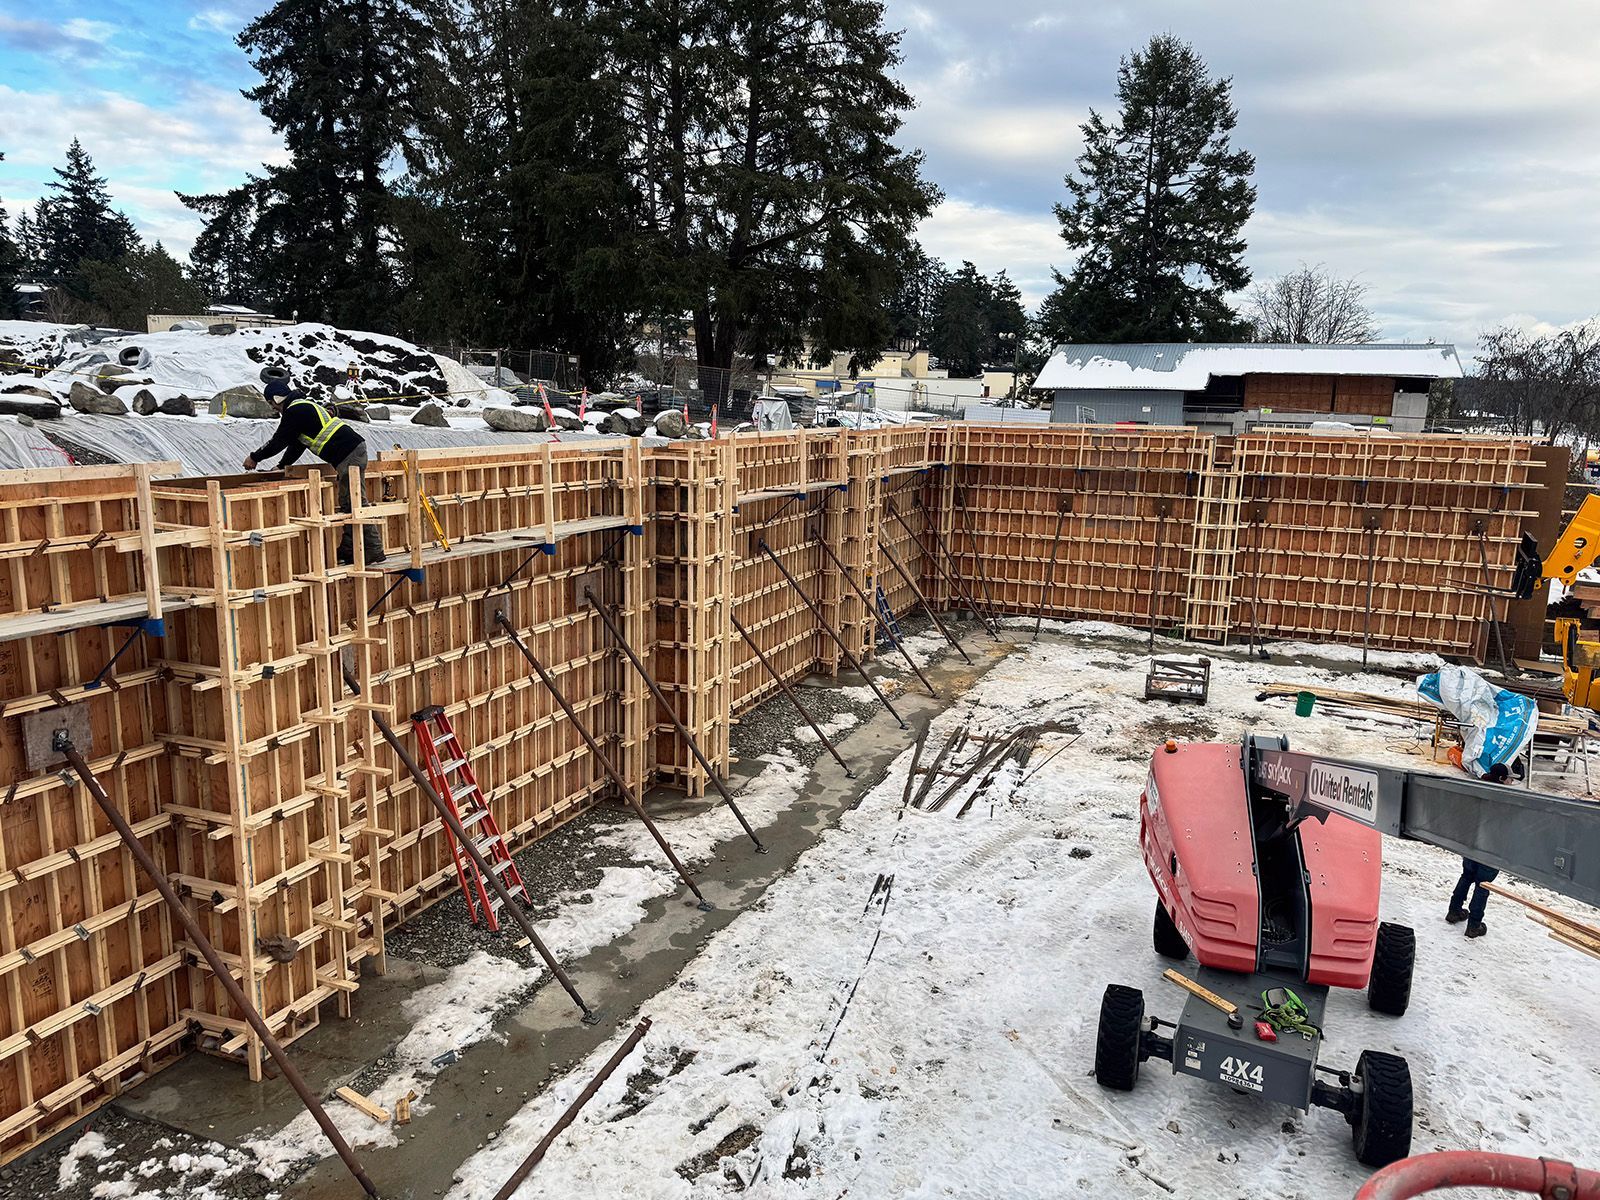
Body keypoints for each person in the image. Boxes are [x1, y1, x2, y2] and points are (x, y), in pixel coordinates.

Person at [243, 379, 384, 565]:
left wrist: (255, 457)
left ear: (277, 398)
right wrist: (283, 465)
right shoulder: (302, 408)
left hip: (349, 453)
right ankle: (349, 549)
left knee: (354, 502)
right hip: (350, 452)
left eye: (271, 403)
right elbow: (297, 444)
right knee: (348, 502)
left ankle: (374, 549)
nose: (273, 408)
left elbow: (279, 440)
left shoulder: (295, 410)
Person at [1447, 856, 1497, 939]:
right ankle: (1474, 926)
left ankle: (1453, 911)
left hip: (1474, 848)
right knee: (1483, 885)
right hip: (1493, 854)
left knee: (1466, 876)